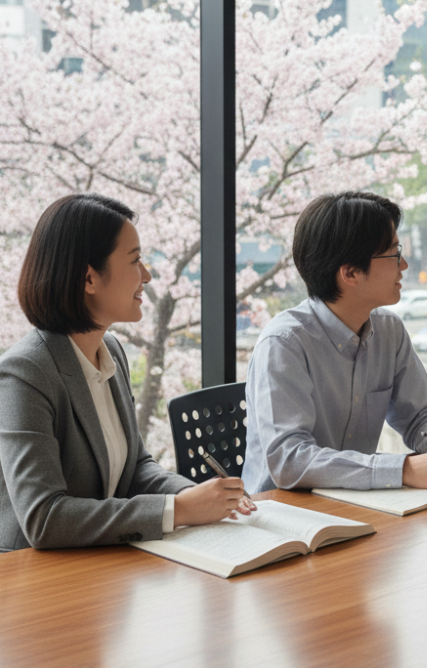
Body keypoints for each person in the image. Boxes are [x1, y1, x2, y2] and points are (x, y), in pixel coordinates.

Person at [0, 194, 253, 552]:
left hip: (101, 565)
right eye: (135, 260)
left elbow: (135, 468)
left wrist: (195, 496)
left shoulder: (112, 350)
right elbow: (44, 517)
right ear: (89, 278)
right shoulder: (25, 373)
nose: (146, 276)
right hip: (35, 580)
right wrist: (178, 509)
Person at [242, 191, 427, 494]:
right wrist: (403, 469)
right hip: (285, 516)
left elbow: (422, 414)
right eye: (394, 254)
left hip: (358, 505)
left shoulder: (388, 330)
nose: (404, 265)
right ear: (350, 273)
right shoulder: (283, 344)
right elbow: (290, 460)